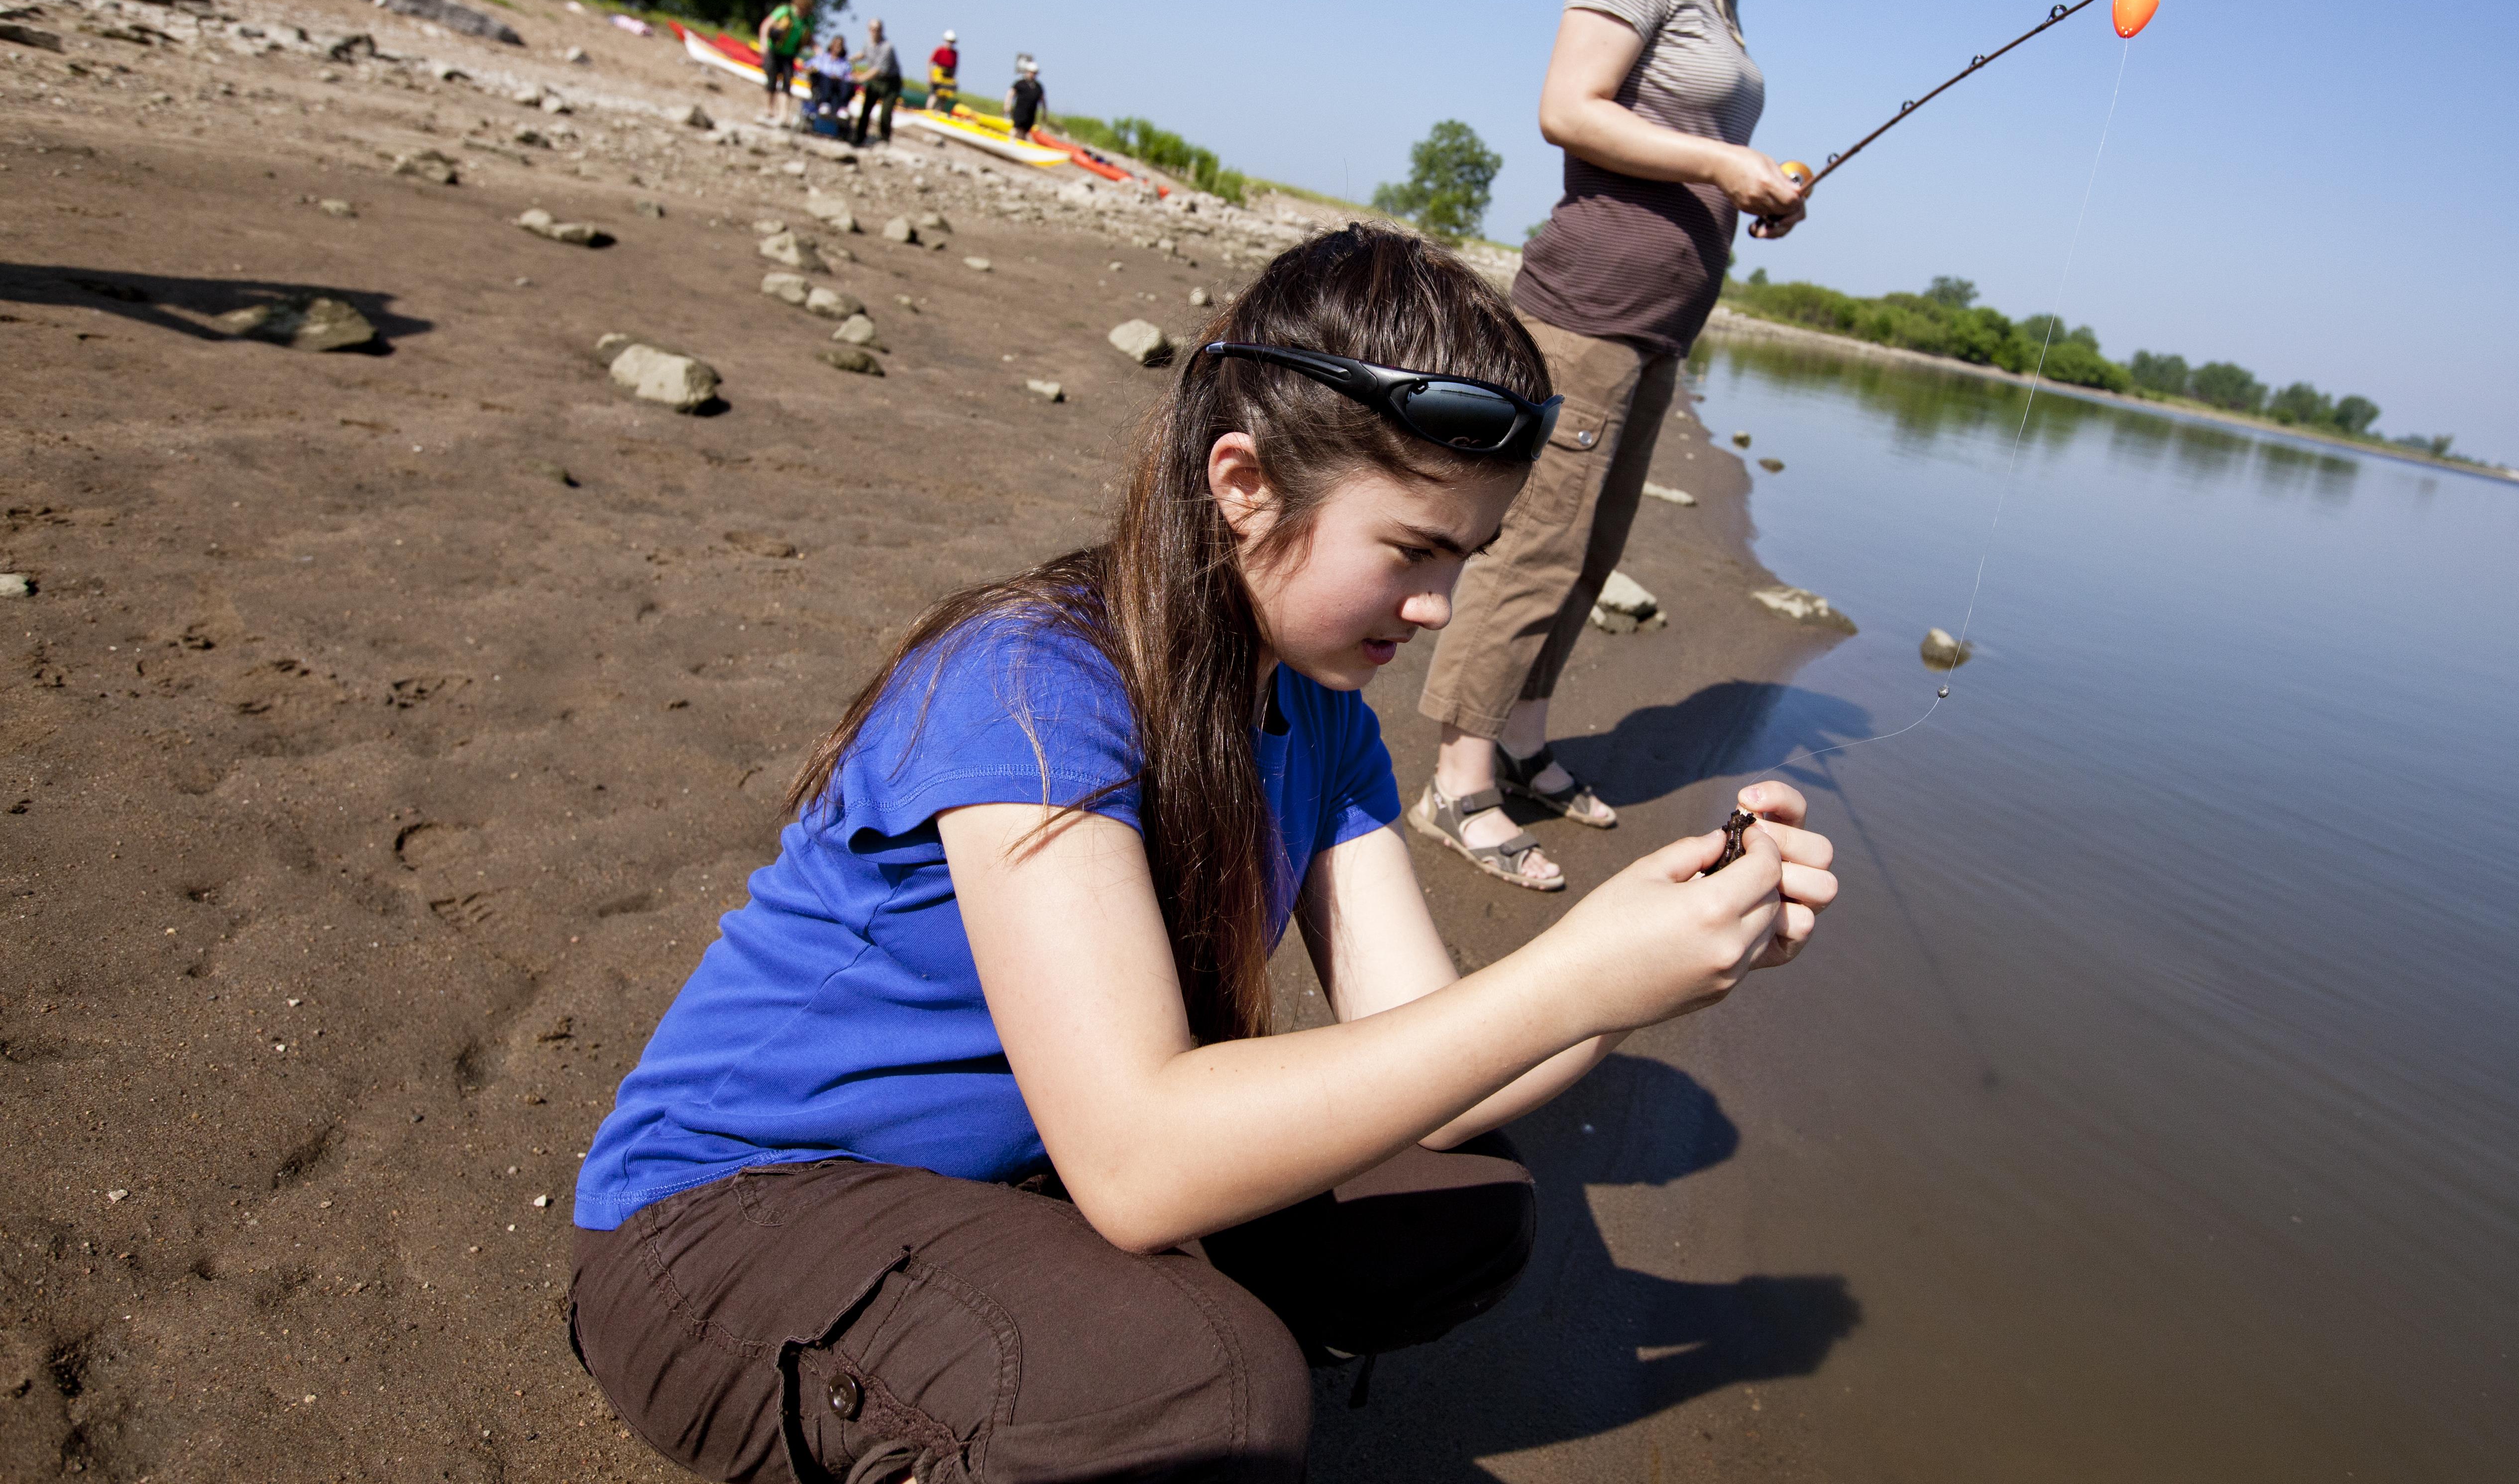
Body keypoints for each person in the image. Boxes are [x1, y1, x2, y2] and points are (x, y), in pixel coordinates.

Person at [566, 226, 1837, 1482]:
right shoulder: (1029, 680)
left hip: (1014, 1176)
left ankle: (1073, 1365)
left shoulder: (1322, 713)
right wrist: (1574, 974)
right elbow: (1133, 1161)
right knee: (1210, 1385)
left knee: (1464, 1212)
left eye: (1469, 556)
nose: (1441, 605)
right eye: (1413, 547)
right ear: (1243, 484)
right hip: (718, 1233)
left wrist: (1648, 959)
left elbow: (1440, 1062)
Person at [1415, 0, 1849, 892]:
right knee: (1533, 546)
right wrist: (1725, 158)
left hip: (1656, 327)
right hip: (1584, 313)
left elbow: (1688, 148)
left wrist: (1754, 194)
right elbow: (1567, 108)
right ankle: (1455, 781)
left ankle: (1522, 739)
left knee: (1594, 549)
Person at [756, 0, 815, 125]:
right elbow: (766, 25)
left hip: (790, 54)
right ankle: (769, 110)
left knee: (788, 83)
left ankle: (783, 115)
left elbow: (810, 39)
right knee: (772, 79)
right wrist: (764, 42)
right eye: (802, 10)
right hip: (774, 50)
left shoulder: (808, 20)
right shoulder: (785, 11)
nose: (803, 13)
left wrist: (818, 51)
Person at [853, 17, 902, 145]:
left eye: (878, 29)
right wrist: (849, 60)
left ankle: (884, 140)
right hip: (875, 81)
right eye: (873, 29)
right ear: (869, 30)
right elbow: (863, 54)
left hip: (890, 82)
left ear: (882, 30)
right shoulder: (868, 42)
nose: (875, 32)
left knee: (885, 113)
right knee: (866, 110)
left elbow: (878, 70)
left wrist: (860, 79)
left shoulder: (888, 47)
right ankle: (859, 137)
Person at [805, 33, 858, 130]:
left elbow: (849, 76)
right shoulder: (822, 58)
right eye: (836, 44)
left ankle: (842, 109)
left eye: (840, 45)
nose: (838, 47)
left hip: (839, 87)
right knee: (826, 78)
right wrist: (811, 70)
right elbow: (808, 67)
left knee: (847, 83)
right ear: (831, 45)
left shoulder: (845, 64)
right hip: (823, 85)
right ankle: (824, 104)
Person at [1007, 52, 1046, 140]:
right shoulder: (1020, 84)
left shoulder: (1038, 86)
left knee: (1025, 132)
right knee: (1016, 129)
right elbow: (1011, 94)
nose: (1033, 75)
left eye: (1035, 73)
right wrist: (1007, 106)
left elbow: (1043, 100)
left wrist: (1044, 112)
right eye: (1032, 73)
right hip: (1020, 112)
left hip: (1031, 114)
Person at [930, 28, 961, 113]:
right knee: (934, 94)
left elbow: (955, 66)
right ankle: (929, 110)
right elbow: (931, 63)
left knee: (945, 96)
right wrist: (931, 77)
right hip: (938, 75)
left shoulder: (955, 54)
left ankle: (940, 111)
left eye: (952, 42)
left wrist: (953, 77)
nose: (950, 44)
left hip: (948, 77)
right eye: (949, 41)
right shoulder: (940, 50)